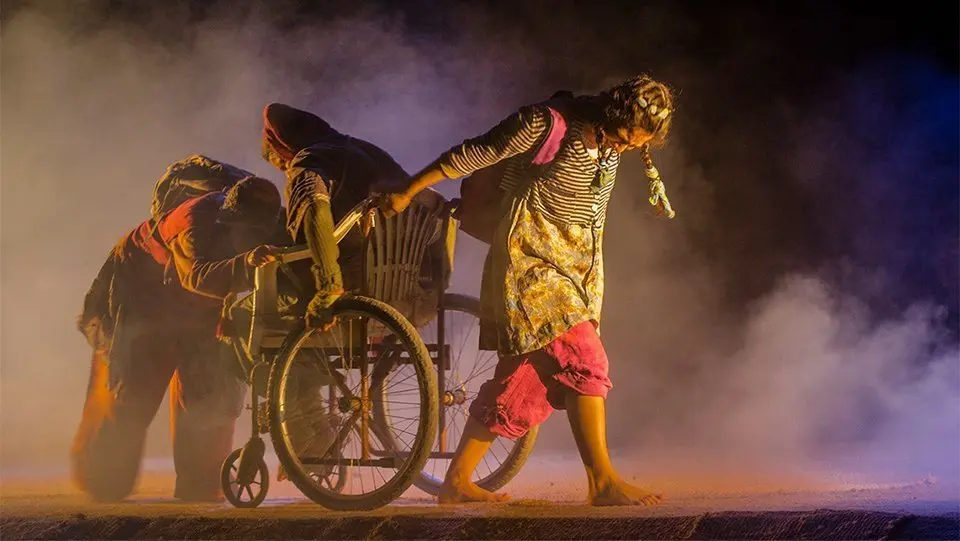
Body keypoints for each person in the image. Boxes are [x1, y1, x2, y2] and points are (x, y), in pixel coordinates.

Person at [381, 75, 676, 506]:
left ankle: (457, 482)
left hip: (577, 271)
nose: (627, 148)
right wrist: (408, 191)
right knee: (585, 358)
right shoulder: (546, 123)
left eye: (636, 143)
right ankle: (603, 483)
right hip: (529, 264)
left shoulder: (611, 143)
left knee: (523, 384)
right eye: (626, 137)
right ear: (614, 114)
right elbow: (472, 153)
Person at [70, 175, 283, 502]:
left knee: (206, 390)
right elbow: (195, 276)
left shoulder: (262, 211)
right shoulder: (193, 225)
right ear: (230, 219)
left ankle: (201, 483)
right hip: (145, 294)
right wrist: (246, 262)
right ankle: (105, 478)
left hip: (202, 306)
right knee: (134, 388)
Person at [260, 103, 410, 327]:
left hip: (351, 279)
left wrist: (329, 285)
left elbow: (314, 206)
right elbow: (416, 194)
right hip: (399, 277)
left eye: (281, 164)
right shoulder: (367, 150)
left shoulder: (307, 162)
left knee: (244, 311)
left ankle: (294, 362)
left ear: (282, 148)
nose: (285, 170)